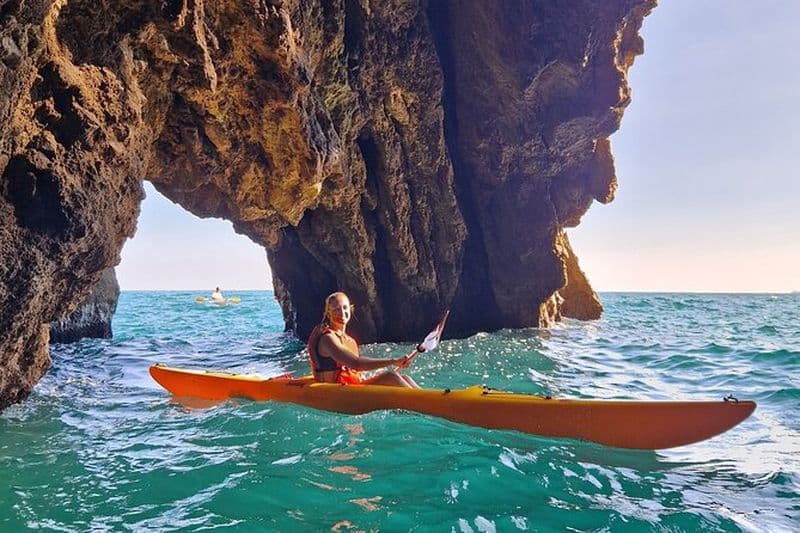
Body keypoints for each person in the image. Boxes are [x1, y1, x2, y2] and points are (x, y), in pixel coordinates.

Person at [307, 292, 419, 388]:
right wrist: (393, 361)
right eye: (336, 309)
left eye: (345, 307)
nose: (342, 312)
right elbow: (356, 364)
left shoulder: (349, 340)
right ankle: (424, 405)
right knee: (391, 377)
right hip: (335, 391)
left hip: (352, 388)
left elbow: (356, 371)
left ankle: (432, 403)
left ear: (350, 309)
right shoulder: (328, 339)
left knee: (405, 378)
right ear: (328, 314)